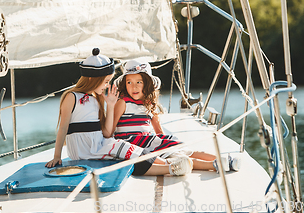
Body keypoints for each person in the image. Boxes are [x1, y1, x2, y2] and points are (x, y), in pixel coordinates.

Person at [45, 48, 193, 176]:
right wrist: (57, 156)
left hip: (100, 144)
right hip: (84, 149)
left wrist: (110, 105)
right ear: (91, 79)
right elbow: (63, 127)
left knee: (134, 151)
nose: (107, 85)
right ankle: (171, 167)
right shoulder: (72, 97)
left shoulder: (97, 98)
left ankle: (170, 165)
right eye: (105, 81)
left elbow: (107, 132)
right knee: (127, 150)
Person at [112, 59, 240, 173]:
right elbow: (112, 131)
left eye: (139, 82)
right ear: (124, 84)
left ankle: (224, 160)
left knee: (186, 151)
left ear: (148, 84)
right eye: (129, 82)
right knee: (180, 158)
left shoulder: (149, 105)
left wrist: (164, 143)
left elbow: (159, 131)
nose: (134, 86)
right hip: (135, 144)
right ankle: (214, 165)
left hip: (149, 142)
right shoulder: (123, 102)